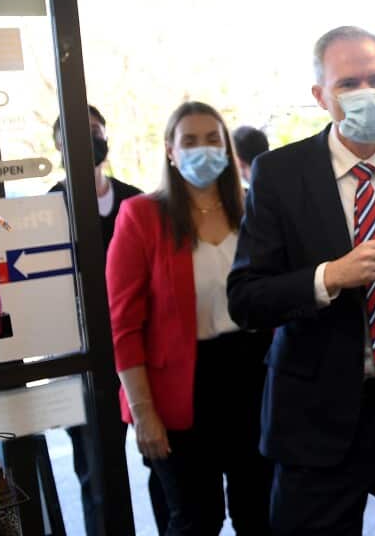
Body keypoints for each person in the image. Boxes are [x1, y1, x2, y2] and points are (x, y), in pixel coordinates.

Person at [228, 26, 375, 536]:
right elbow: (246, 299)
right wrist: (329, 277)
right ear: (320, 95)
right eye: (348, 84)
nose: (367, 94)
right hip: (316, 417)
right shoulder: (279, 175)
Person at [106, 101, 272, 535]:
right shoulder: (142, 216)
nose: (204, 150)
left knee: (260, 514)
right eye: (190, 141)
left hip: (253, 379)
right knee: (196, 520)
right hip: (179, 390)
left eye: (213, 139)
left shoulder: (254, 210)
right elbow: (123, 326)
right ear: (170, 151)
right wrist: (143, 413)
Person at [49, 106, 166, 536]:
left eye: (94, 132)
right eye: (76, 135)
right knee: (99, 478)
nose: (88, 141)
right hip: (80, 363)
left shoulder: (137, 201)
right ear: (58, 147)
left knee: (165, 466)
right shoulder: (47, 211)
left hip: (141, 355)